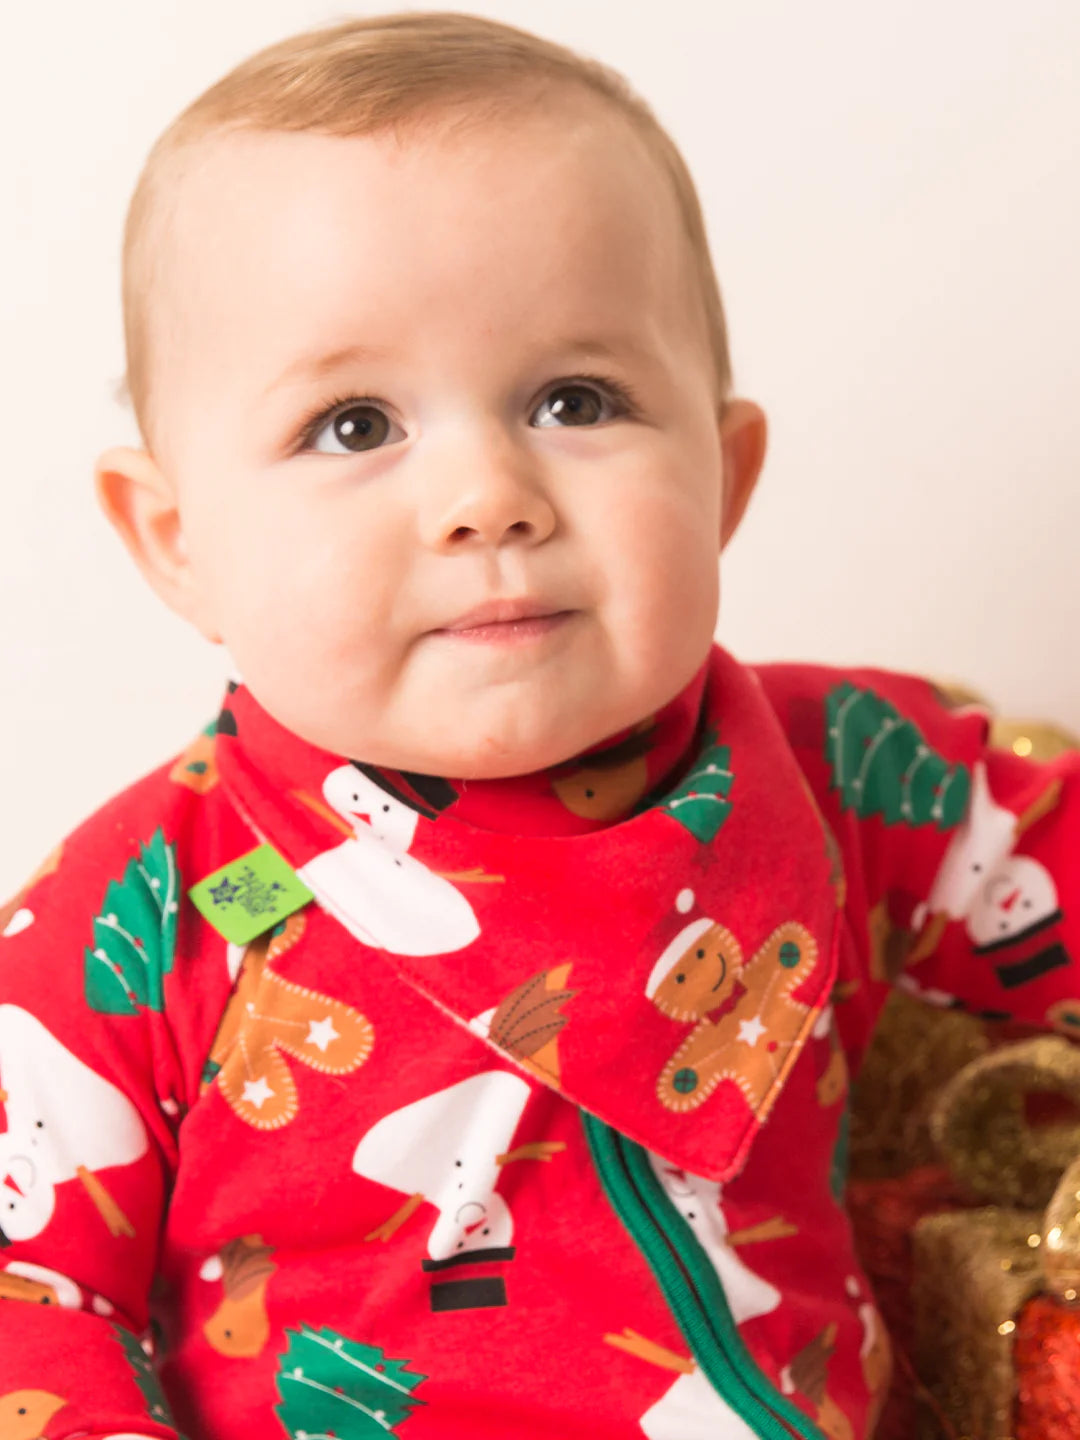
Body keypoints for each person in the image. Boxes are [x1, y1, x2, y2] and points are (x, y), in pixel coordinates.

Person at [0, 12, 1075, 1439]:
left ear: (723, 475)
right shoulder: (147, 911)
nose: (487, 495)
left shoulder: (843, 772)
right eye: (354, 425)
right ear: (179, 539)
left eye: (577, 398)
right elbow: (28, 1291)